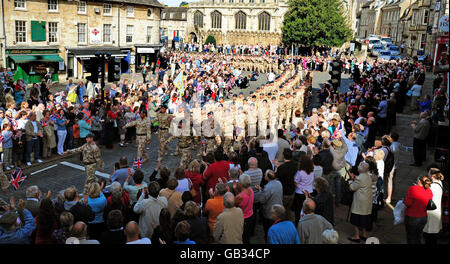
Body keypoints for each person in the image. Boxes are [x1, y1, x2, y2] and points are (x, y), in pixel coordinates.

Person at [348, 162, 374, 243]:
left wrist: (351, 180)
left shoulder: (359, 178)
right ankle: (364, 234)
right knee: (364, 219)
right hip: (367, 202)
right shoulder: (368, 176)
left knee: (356, 219)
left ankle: (356, 236)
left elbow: (352, 188)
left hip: (360, 203)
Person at [403, 176, 433, 244]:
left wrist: (404, 200)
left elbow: (408, 203)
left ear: (419, 181)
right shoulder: (429, 191)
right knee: (418, 236)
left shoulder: (413, 189)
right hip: (423, 217)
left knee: (410, 237)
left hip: (412, 217)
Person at [254, 170, 283, 239]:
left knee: (268, 228)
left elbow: (262, 200)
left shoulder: (268, 187)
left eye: (265, 175)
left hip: (270, 213)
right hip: (278, 210)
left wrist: (260, 192)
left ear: (268, 177)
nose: (264, 176)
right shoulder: (279, 183)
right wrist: (262, 189)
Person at [423, 168, 444, 244]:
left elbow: (425, 197)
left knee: (429, 236)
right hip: (437, 212)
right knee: (434, 234)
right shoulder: (440, 183)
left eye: (429, 173)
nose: (428, 174)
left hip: (431, 213)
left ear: (432, 175)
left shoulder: (432, 186)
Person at [275, 148, 297, 220]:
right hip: (292, 191)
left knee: (282, 211)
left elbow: (276, 176)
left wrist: (276, 167)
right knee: (289, 211)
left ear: (284, 157)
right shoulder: (295, 165)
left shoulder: (282, 167)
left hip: (284, 192)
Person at [293, 155, 315, 225]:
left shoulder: (300, 172)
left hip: (300, 192)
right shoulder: (312, 171)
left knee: (298, 211)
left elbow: (296, 182)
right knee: (308, 210)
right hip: (309, 192)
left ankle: (298, 224)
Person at [235, 174, 255, 244]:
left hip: (243, 219)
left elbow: (232, 204)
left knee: (243, 238)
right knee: (247, 237)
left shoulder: (240, 196)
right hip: (251, 215)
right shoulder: (251, 190)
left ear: (241, 184)